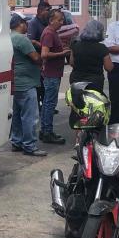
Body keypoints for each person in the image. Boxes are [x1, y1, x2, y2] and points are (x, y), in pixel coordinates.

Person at [9, 14, 47, 156]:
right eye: (26, 23)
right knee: (30, 116)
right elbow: (36, 57)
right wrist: (41, 60)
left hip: (16, 82)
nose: (28, 26)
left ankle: (17, 141)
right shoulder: (21, 39)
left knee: (17, 115)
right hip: (26, 83)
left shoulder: (9, 37)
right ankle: (30, 145)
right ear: (21, 24)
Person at [40, 8, 71, 144]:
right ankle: (47, 132)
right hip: (51, 74)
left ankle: (45, 130)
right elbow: (44, 54)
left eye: (62, 20)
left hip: (54, 73)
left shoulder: (53, 32)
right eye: (59, 20)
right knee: (49, 104)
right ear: (51, 20)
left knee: (49, 103)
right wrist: (61, 54)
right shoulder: (48, 33)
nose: (61, 22)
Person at [70, 19, 113, 90]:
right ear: (100, 32)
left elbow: (71, 63)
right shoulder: (102, 48)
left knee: (78, 100)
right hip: (94, 82)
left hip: (76, 79)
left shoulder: (75, 44)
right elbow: (109, 68)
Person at [28, 0, 51, 109]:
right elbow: (31, 40)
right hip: (36, 60)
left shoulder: (46, 23)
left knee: (45, 85)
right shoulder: (33, 23)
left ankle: (45, 106)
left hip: (46, 60)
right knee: (38, 85)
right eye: (47, 10)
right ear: (40, 11)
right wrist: (44, 45)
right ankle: (37, 107)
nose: (49, 12)